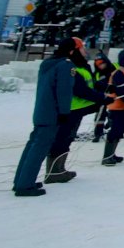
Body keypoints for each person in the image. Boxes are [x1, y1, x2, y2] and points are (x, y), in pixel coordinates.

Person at [11, 37, 78, 196]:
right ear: (71, 50)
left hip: (41, 111)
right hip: (52, 113)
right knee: (39, 149)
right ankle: (25, 185)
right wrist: (64, 112)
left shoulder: (48, 63)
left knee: (32, 146)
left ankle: (20, 180)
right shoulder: (65, 66)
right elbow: (64, 91)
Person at [44, 38, 109, 183]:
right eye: (82, 48)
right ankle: (53, 172)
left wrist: (103, 88)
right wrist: (102, 98)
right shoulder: (70, 67)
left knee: (67, 139)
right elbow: (81, 90)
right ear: (73, 50)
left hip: (76, 110)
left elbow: (89, 85)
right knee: (61, 140)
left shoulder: (80, 66)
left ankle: (60, 169)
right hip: (68, 111)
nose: (85, 51)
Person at [90, 53, 117, 142]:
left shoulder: (114, 69)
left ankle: (112, 126)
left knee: (114, 113)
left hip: (115, 96)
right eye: (98, 64)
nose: (100, 66)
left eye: (102, 63)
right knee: (100, 114)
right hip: (103, 96)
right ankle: (98, 133)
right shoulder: (97, 73)